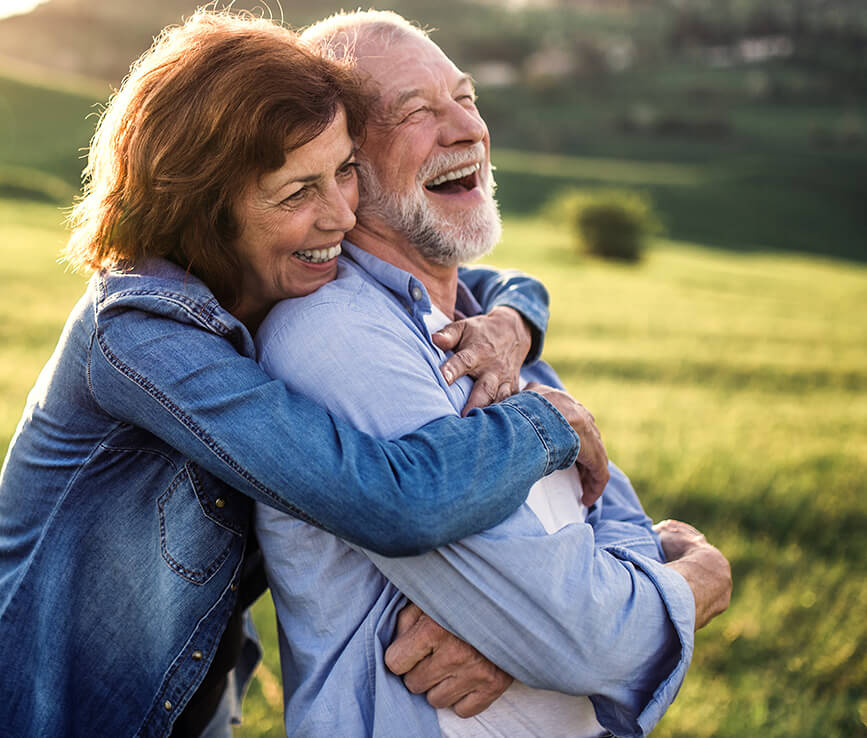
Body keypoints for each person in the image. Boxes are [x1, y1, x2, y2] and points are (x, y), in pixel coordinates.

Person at [0, 10, 612, 738]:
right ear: (202, 208)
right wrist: (549, 423)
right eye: (296, 193)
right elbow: (390, 502)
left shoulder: (277, 273)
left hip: (191, 704)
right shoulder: (139, 334)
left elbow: (491, 278)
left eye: (345, 171)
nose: (340, 217)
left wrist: (513, 322)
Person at [255, 10, 732, 738]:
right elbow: (587, 638)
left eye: (466, 98)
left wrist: (526, 638)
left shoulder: (490, 331)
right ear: (342, 166)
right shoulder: (336, 338)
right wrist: (695, 580)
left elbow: (609, 526)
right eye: (416, 111)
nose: (467, 130)